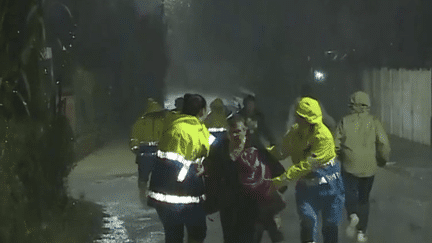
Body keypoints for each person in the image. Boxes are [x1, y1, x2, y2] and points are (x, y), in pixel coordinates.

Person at [270, 97, 345, 243]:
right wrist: (261, 151)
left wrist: (281, 180)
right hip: (307, 187)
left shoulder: (323, 136)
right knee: (307, 224)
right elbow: (281, 152)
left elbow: (306, 165)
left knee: (330, 226)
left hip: (330, 187)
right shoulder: (294, 133)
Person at [203, 114, 285, 243]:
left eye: (238, 131)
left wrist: (278, 192)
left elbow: (277, 169)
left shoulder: (257, 149)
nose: (236, 135)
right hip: (229, 208)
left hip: (253, 207)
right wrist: (210, 203)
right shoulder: (219, 151)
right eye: (232, 132)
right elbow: (211, 177)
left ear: (245, 131)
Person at [146, 94, 213, 243]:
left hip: (164, 195)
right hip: (189, 194)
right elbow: (209, 154)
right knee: (197, 234)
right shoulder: (198, 131)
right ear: (202, 111)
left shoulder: (171, 124)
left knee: (173, 236)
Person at [334, 91, 391, 242]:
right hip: (369, 166)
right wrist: (382, 160)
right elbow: (383, 144)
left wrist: (342, 157)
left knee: (349, 193)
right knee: (364, 199)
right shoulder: (374, 121)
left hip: (349, 165)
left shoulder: (344, 121)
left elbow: (335, 145)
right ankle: (361, 233)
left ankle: (352, 215)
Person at [129, 98, 165, 204]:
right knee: (144, 177)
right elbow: (134, 138)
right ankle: (143, 196)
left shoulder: (162, 122)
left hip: (155, 152)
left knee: (157, 177)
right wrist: (136, 148)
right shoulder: (141, 123)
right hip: (145, 153)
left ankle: (155, 196)